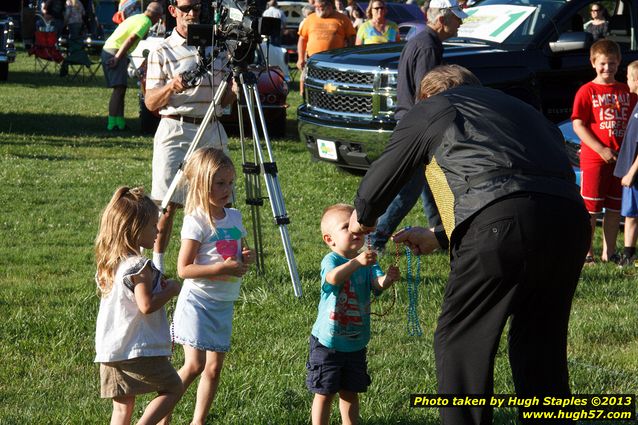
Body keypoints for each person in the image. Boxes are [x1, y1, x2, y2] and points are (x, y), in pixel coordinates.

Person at [349, 65, 591, 425]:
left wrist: (362, 218)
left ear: (428, 96)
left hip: (503, 224)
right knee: (541, 341)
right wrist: (439, 237)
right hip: (570, 220)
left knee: (461, 340)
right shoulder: (522, 110)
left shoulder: (435, 108)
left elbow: (386, 172)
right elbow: (515, 180)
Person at [144, 0, 238, 273]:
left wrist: (235, 88)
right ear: (173, 11)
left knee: (221, 195)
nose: (192, 13)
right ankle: (158, 266)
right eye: (185, 8)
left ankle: (222, 257)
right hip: (175, 126)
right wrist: (173, 85)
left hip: (211, 124)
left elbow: (226, 100)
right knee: (166, 202)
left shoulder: (220, 50)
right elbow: (151, 102)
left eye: (198, 7)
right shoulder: (161, 50)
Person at [367, 0, 467, 253]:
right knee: (407, 191)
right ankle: (375, 240)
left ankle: (441, 234)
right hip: (419, 126)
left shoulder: (420, 40)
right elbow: (429, 92)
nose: (461, 22)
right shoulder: (428, 46)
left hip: (411, 122)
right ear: (442, 19)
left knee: (432, 182)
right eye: (457, 17)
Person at [165, 148, 253, 424]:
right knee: (194, 365)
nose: (228, 189)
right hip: (198, 302)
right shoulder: (196, 222)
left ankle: (198, 421)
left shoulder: (235, 217)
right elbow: (183, 269)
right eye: (220, 183)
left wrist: (244, 258)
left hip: (223, 302)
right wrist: (219, 268)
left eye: (231, 183)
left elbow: (241, 251)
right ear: (203, 184)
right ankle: (161, 415)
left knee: (213, 369)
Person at [94, 186, 183, 425]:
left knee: (122, 409)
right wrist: (172, 290)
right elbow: (146, 305)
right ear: (134, 229)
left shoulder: (111, 265)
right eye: (153, 225)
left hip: (110, 350)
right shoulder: (139, 266)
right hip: (136, 349)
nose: (157, 230)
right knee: (173, 387)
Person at [308, 203, 400, 425]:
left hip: (355, 342)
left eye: (355, 226)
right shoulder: (331, 261)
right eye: (345, 227)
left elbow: (376, 285)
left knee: (350, 392)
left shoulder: (367, 261)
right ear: (330, 240)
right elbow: (332, 278)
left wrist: (387, 279)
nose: (354, 231)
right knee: (325, 392)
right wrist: (357, 262)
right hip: (328, 343)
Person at [572, 39, 635, 264]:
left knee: (614, 209)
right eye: (602, 64)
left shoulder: (627, 91)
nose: (607, 68)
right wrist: (601, 149)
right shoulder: (587, 91)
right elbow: (578, 124)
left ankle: (609, 253)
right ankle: (587, 253)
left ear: (619, 63)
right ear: (593, 63)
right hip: (595, 159)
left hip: (622, 159)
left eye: (612, 64)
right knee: (591, 210)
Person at [101, 2, 163, 131]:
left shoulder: (137, 17)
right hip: (115, 51)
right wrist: (118, 57)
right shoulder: (146, 22)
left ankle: (120, 123)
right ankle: (112, 124)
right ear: (157, 16)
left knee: (121, 88)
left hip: (112, 49)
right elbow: (131, 38)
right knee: (118, 89)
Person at [296, 0, 356, 95]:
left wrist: (348, 56)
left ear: (330, 5)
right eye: (316, 7)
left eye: (321, 7)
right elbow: (302, 39)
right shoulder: (310, 19)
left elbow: (351, 37)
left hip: (335, 62)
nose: (318, 9)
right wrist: (300, 58)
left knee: (333, 89)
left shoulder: (343, 19)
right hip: (313, 60)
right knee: (312, 86)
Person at [614, 60, 638, 266]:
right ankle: (628, 255)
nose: (626, 81)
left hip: (635, 173)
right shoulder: (636, 103)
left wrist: (631, 172)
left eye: (629, 77)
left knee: (633, 215)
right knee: (630, 214)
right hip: (631, 172)